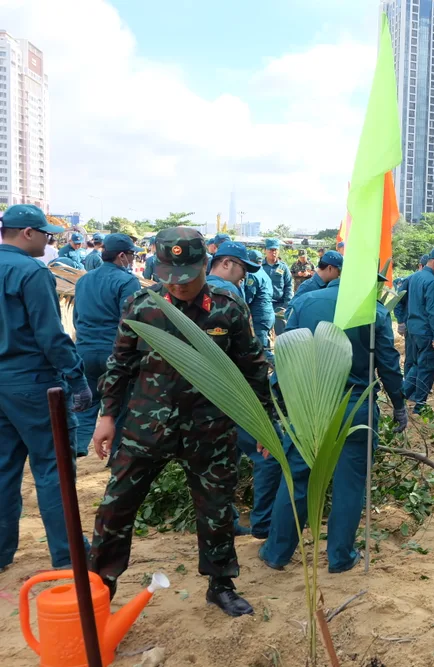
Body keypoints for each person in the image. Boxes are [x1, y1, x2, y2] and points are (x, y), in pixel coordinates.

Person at [88, 227, 271, 617]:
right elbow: (120, 364)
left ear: (205, 264)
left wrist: (264, 422)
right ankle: (101, 582)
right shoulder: (144, 305)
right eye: (170, 276)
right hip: (145, 428)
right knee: (116, 505)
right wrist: (106, 415)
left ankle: (220, 584)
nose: (179, 286)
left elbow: (253, 367)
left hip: (210, 428)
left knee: (217, 510)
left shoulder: (227, 307)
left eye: (187, 277)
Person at [258, 272, 407, 572]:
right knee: (349, 486)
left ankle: (277, 553)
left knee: (298, 480)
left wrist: (276, 410)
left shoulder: (306, 301)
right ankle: (340, 558)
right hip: (354, 409)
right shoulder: (374, 312)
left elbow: (286, 357)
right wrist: (399, 405)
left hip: (308, 406)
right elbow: (389, 364)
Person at [0, 205, 92, 571]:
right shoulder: (30, 271)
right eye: (45, 234)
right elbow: (51, 336)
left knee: (4, 470)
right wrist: (77, 378)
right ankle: (69, 555)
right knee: (54, 469)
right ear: (26, 233)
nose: (49, 241)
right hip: (33, 384)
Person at [205, 242, 283, 538]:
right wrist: (263, 409)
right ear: (225, 263)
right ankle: (263, 523)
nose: (243, 278)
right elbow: (250, 358)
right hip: (233, 395)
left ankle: (225, 522)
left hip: (199, 399)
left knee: (222, 461)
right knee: (270, 452)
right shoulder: (229, 295)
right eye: (241, 269)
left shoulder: (181, 292)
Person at [72, 234, 143, 458]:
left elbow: (76, 317)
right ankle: (116, 456)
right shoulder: (127, 281)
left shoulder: (84, 280)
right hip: (115, 354)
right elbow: (131, 321)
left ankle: (77, 448)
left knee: (87, 402)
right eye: (132, 255)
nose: (133, 259)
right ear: (122, 255)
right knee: (121, 405)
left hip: (85, 350)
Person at [402, 248, 434, 413]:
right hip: (425, 331)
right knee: (427, 368)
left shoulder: (414, 277)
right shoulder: (432, 281)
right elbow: (433, 312)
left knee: (416, 365)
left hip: (413, 329)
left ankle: (401, 393)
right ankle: (420, 406)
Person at [394, 253, 429, 381]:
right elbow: (398, 301)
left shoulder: (429, 280)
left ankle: (418, 384)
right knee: (411, 357)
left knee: (421, 358)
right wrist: (400, 322)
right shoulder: (410, 280)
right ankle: (409, 384)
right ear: (420, 266)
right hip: (410, 324)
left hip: (424, 326)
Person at [244, 249, 276, 365]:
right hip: (267, 315)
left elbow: (248, 298)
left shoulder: (252, 275)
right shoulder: (263, 273)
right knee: (265, 346)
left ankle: (283, 367)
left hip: (259, 317)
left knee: (261, 351)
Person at [262, 238, 292, 336]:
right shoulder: (260, 267)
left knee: (282, 334)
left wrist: (286, 305)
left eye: (275, 250)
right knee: (263, 333)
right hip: (263, 304)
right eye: (270, 250)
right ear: (265, 250)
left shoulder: (283, 267)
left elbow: (289, 286)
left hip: (279, 305)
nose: (273, 252)